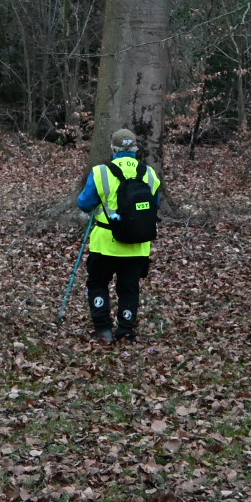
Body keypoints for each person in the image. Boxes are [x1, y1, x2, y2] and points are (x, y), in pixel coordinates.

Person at [76, 128, 160, 342]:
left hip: (105, 243)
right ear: (135, 148)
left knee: (97, 284)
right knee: (129, 288)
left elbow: (84, 204)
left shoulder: (101, 172)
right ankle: (126, 331)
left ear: (112, 148)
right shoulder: (149, 174)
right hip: (138, 245)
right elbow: (154, 206)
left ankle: (103, 329)